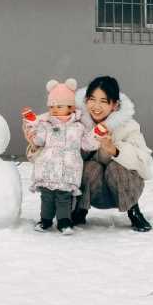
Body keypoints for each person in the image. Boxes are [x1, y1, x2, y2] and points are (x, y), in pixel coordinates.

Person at [27, 76, 153, 232]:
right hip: (94, 190)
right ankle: (80, 210)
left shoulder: (128, 126)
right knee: (89, 167)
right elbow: (54, 150)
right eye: (92, 99)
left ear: (115, 105)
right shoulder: (76, 123)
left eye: (104, 101)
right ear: (86, 101)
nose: (96, 106)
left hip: (124, 188)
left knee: (116, 167)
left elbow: (144, 162)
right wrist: (34, 143)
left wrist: (114, 149)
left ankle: (134, 211)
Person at [24, 78, 101, 235]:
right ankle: (45, 221)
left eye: (59, 106)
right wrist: (32, 132)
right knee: (47, 198)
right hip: (47, 169)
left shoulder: (78, 127)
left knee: (63, 197)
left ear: (71, 107)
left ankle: (64, 222)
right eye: (51, 106)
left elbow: (87, 144)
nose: (54, 109)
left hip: (68, 170)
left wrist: (97, 134)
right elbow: (39, 140)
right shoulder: (46, 125)